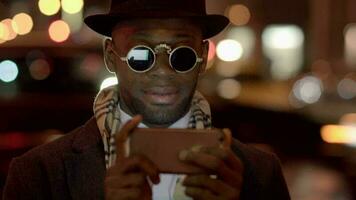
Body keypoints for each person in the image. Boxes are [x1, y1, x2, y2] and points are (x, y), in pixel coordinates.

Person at [3, 0, 290, 199]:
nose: (162, 72)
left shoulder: (259, 174)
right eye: (142, 55)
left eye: (181, 55)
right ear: (110, 56)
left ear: (202, 58)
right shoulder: (39, 175)